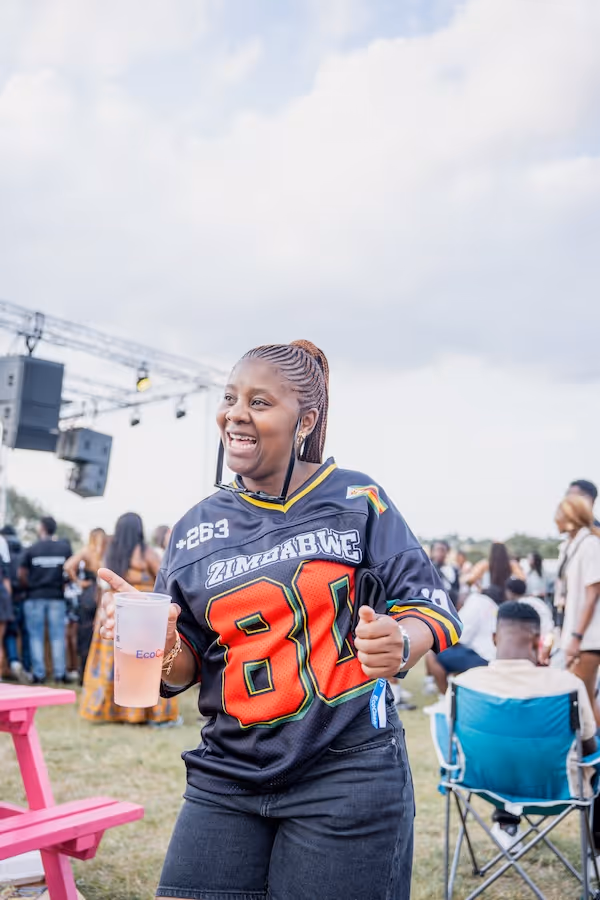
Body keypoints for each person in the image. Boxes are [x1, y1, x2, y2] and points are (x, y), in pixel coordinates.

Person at [98, 340, 462, 900]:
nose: (235, 414)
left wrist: (401, 640)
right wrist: (165, 644)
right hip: (226, 776)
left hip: (347, 770)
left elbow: (430, 605)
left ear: (305, 420)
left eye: (260, 402)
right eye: (229, 398)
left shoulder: (357, 498)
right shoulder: (193, 528)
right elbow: (184, 668)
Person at [451, 602, 597, 852]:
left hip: (483, 784)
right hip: (557, 788)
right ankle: (596, 852)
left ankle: (507, 826)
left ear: (494, 638)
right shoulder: (567, 686)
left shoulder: (463, 684)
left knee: (503, 746)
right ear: (538, 640)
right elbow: (589, 747)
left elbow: (452, 739)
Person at [80, 513, 179, 726]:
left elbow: (104, 586)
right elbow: (165, 579)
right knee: (144, 664)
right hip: (143, 615)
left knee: (114, 665)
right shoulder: (146, 553)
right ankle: (147, 713)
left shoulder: (111, 552)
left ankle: (114, 711)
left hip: (115, 613)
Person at [555, 495, 600, 727]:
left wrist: (576, 637)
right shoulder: (571, 546)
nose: (555, 519)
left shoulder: (590, 544)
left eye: (559, 514)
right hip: (576, 637)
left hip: (587, 639)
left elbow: (592, 595)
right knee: (584, 703)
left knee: (584, 705)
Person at [18, 516, 72, 684]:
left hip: (35, 597)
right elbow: (71, 571)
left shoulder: (32, 549)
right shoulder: (64, 549)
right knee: (58, 636)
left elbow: (21, 574)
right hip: (56, 597)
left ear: (42, 528)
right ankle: (59, 674)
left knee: (36, 636)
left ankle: (39, 674)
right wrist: (63, 584)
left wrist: (30, 586)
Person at [425, 585, 502, 697]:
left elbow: (456, 639)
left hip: (484, 659)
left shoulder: (474, 602)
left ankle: (445, 698)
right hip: (494, 657)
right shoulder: (488, 603)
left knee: (432, 654)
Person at [65, 528, 107, 683]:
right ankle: (98, 675)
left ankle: (84, 675)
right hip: (104, 595)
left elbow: (68, 566)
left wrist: (78, 582)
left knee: (85, 634)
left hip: (89, 594)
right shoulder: (107, 552)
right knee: (103, 634)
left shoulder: (87, 551)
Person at [1, 525, 29, 682]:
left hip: (8, 599)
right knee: (26, 634)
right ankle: (26, 667)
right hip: (23, 597)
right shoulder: (24, 552)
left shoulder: (5, 554)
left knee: (10, 634)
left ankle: (13, 662)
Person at [505, 577, 554, 649]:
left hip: (539, 641)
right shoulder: (535, 600)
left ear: (510, 592)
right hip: (549, 637)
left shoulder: (519, 606)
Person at [430, 540, 460, 607]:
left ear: (447, 552)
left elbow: (456, 588)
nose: (439, 553)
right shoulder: (427, 569)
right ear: (432, 552)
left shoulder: (453, 570)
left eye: (442, 550)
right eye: (437, 550)